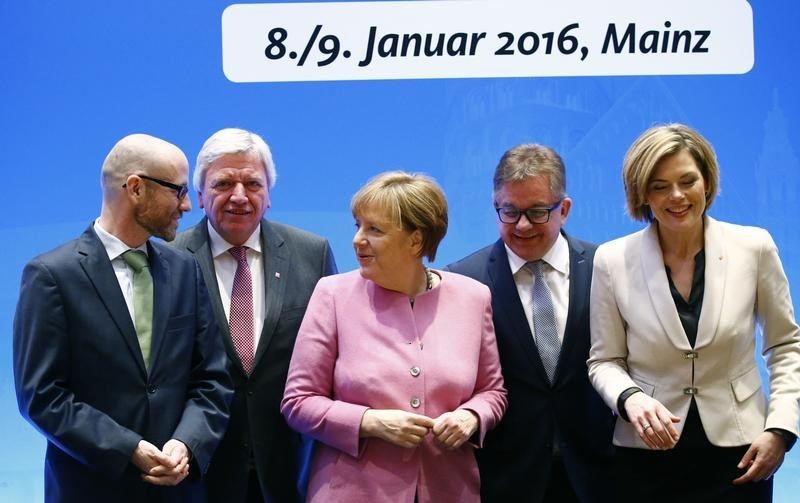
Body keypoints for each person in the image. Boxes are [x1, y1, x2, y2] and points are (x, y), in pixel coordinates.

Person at [12, 134, 233, 502]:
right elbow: (42, 396)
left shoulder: (185, 271)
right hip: (89, 488)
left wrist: (186, 443)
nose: (187, 206)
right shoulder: (51, 275)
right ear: (135, 188)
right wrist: (128, 448)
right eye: (178, 191)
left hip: (178, 491)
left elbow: (212, 377)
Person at [588, 123, 800, 502]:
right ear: (642, 195)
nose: (677, 196)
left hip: (743, 455)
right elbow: (604, 361)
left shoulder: (755, 248)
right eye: (659, 185)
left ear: (707, 183)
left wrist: (780, 430)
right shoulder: (612, 260)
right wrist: (630, 398)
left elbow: (785, 346)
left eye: (688, 181)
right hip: (645, 454)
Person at [281, 171, 507, 502]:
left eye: (374, 230)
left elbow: (492, 392)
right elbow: (298, 402)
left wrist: (470, 417)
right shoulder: (332, 294)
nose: (358, 239)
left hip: (449, 489)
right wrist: (370, 422)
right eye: (357, 225)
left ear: (416, 241)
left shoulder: (473, 297)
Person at [172, 127, 337, 502]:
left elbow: (338, 353)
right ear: (199, 195)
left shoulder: (311, 253)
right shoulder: (168, 259)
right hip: (199, 470)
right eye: (223, 183)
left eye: (253, 183)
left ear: (269, 195)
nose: (239, 196)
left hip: (291, 466)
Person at [447, 144, 616, 502]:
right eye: (509, 211)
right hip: (506, 478)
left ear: (564, 209)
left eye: (537, 212)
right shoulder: (464, 280)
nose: (522, 225)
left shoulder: (608, 267)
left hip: (599, 473)